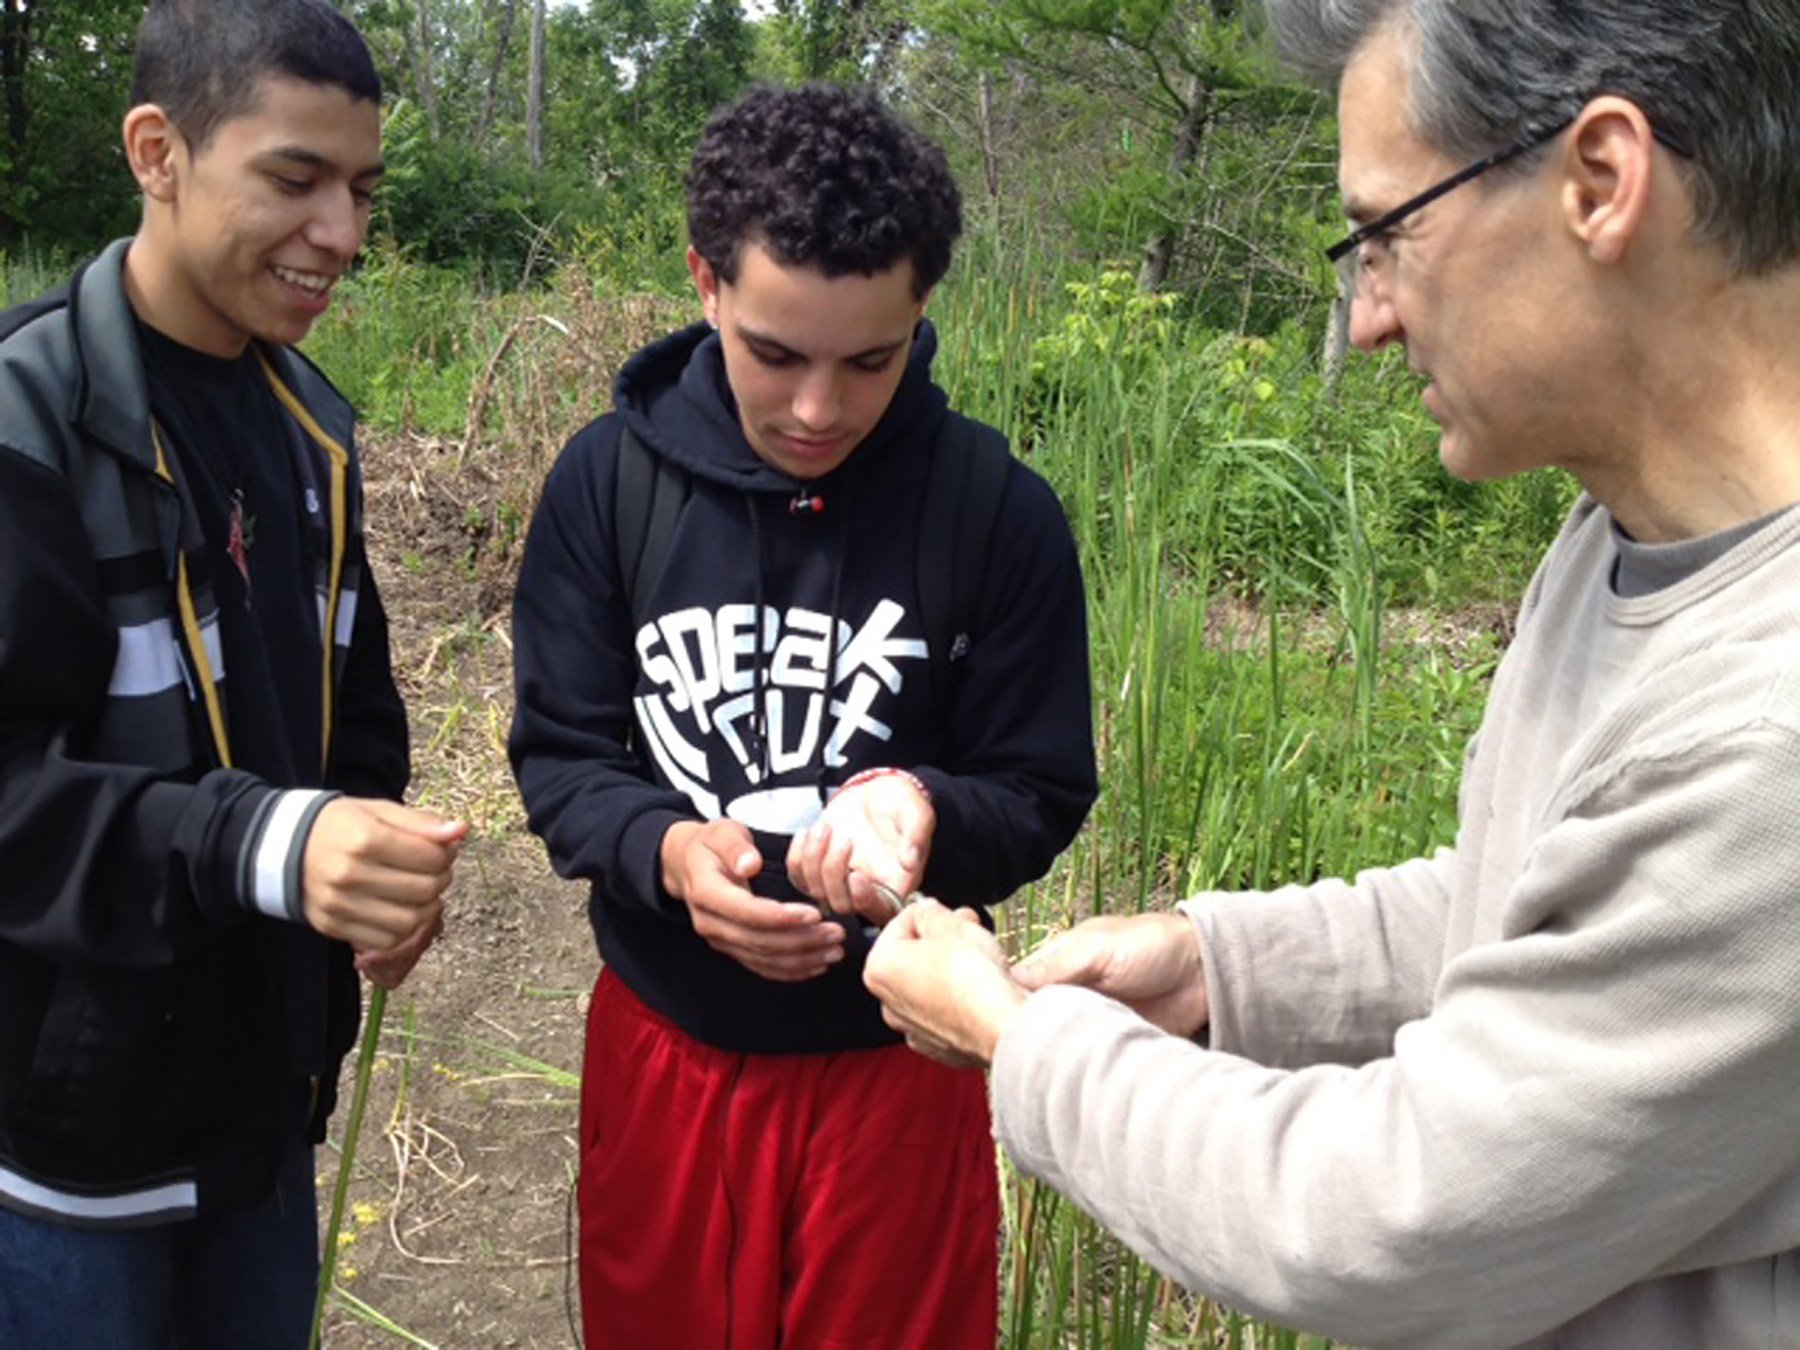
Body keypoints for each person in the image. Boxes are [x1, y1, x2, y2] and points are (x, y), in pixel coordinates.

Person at [865, 2, 1800, 1346]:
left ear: (1601, 180)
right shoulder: (1626, 539)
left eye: (1390, 231)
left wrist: (1021, 1040)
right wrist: (1218, 966)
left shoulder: (1772, 734)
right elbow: (1546, 905)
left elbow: (1389, 1215)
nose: (1367, 317)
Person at [509, 83, 1097, 1348]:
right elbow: (561, 757)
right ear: (706, 284)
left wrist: (924, 807)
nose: (818, 410)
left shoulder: (996, 513)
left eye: (868, 360)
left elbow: (1041, 787)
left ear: (922, 311)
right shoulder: (607, 488)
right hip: (669, 1054)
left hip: (901, 1066)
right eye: (775, 354)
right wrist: (665, 854)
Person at [0, 1, 464, 1344]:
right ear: (158, 150)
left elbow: (352, 708)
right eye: (296, 177)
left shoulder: (309, 426)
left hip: (262, 1131)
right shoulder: (30, 428)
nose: (344, 234)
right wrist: (265, 843)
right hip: (63, 1172)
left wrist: (366, 852)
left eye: (363, 188)